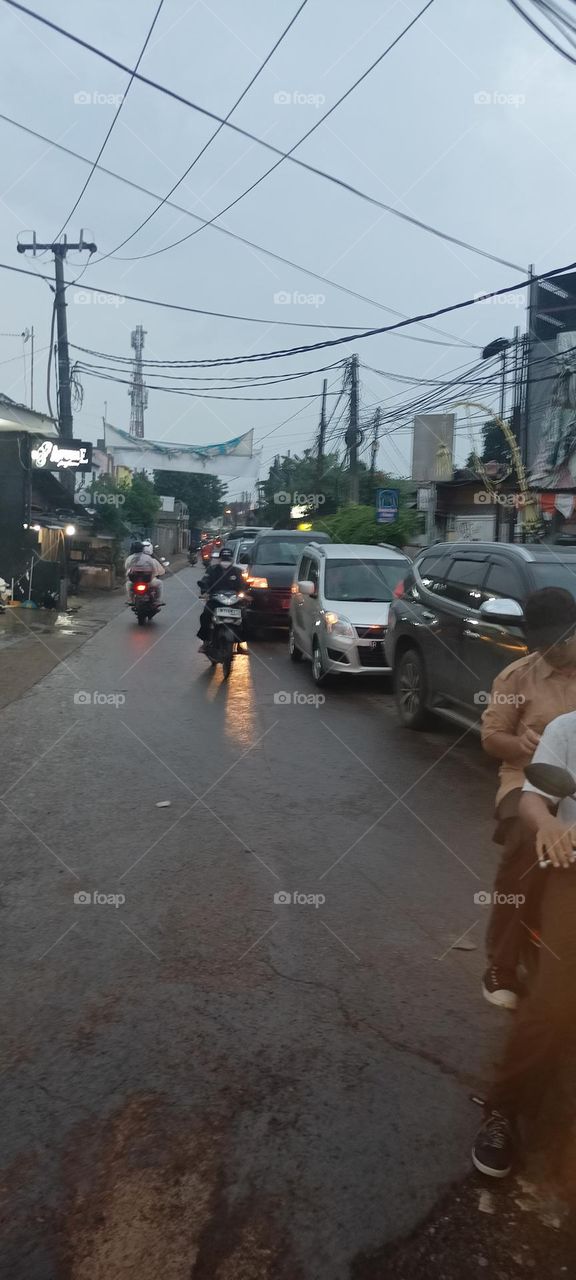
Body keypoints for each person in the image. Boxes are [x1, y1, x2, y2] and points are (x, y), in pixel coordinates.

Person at [472, 707, 576, 1177]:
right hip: (571, 867)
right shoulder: (568, 729)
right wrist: (549, 825)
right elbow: (534, 798)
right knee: (555, 1004)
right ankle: (504, 1109)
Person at [480, 587, 576, 1010]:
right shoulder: (517, 678)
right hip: (525, 779)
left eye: (561, 639)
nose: (552, 650)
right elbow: (491, 738)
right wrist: (521, 745)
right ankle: (501, 963)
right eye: (542, 643)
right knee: (524, 841)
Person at [197, 547, 246, 650]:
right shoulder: (212, 570)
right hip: (216, 600)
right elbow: (205, 580)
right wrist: (205, 590)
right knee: (206, 615)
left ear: (232, 559)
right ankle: (205, 641)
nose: (225, 562)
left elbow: (243, 585)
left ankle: (241, 642)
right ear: (219, 559)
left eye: (227, 559)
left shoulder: (238, 571)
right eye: (224, 559)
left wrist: (246, 593)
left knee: (245, 616)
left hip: (234, 601)